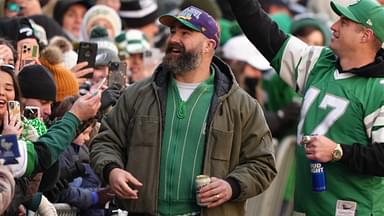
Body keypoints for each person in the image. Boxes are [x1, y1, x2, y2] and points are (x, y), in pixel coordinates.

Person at [90, 5, 276, 216]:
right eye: (173, 32)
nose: (174, 39)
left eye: (185, 33)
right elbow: (106, 141)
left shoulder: (242, 106)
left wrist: (231, 186)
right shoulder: (137, 94)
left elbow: (262, 163)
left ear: (209, 45)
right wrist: (111, 170)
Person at [227, 0, 384, 215]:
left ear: (365, 35)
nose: (333, 26)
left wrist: (338, 151)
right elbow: (267, 36)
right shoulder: (320, 63)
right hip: (308, 207)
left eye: (345, 22)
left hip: (357, 209)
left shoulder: (379, 89)